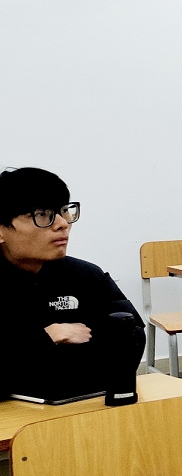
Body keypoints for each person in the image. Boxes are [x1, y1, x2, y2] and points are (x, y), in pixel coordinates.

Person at [0, 167, 145, 401]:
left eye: (64, 211)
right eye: (42, 214)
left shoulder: (86, 275)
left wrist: (25, 354)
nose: (62, 224)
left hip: (82, 403)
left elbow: (130, 339)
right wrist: (48, 337)